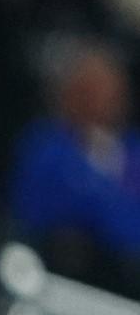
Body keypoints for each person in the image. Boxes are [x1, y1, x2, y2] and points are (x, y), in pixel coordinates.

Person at [10, 42, 140, 279]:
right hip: (54, 270)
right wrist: (107, 201)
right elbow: (36, 209)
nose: (100, 102)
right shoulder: (44, 145)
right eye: (88, 91)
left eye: (109, 93)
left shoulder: (133, 153)